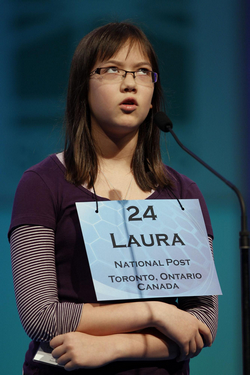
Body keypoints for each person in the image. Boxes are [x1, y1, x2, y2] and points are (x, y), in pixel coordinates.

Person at [8, 22, 218, 375]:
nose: (130, 82)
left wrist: (113, 346)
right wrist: (157, 311)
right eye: (111, 70)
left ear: (154, 92)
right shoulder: (42, 184)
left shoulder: (183, 194)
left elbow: (202, 325)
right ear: (82, 88)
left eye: (142, 72)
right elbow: (42, 317)